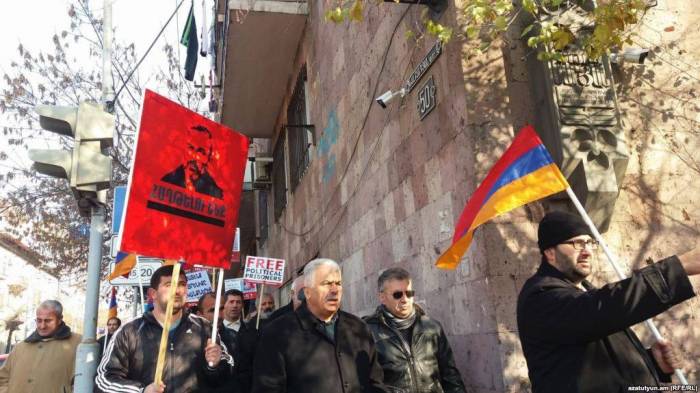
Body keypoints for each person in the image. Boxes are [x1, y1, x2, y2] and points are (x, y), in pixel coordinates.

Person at [517, 211, 699, 393]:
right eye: (577, 243)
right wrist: (678, 268)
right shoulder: (540, 296)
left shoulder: (584, 292)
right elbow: (600, 309)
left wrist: (652, 362)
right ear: (550, 252)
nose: (587, 251)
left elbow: (598, 368)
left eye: (589, 243)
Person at [251, 258, 388, 393]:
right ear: (308, 292)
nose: (334, 290)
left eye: (338, 283)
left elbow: (375, 381)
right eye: (326, 283)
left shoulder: (358, 327)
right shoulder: (278, 333)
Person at [95, 265, 233, 393]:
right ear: (152, 293)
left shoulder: (204, 327)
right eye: (169, 285)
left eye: (182, 284)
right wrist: (141, 391)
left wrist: (214, 366)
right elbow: (104, 380)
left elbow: (228, 371)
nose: (177, 290)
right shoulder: (129, 331)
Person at [365, 267, 467, 393]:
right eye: (397, 295)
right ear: (382, 297)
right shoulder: (367, 331)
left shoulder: (432, 327)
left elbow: (451, 375)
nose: (404, 299)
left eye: (408, 293)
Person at [0, 300, 81, 393]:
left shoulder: (78, 343)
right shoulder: (20, 347)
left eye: (48, 321)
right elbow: (2, 378)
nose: (42, 326)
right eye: (39, 320)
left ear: (59, 319)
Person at [161, 124, 223, 199]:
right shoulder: (167, 182)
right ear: (183, 149)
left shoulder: (214, 192)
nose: (194, 156)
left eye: (201, 151)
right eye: (190, 148)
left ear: (208, 157)